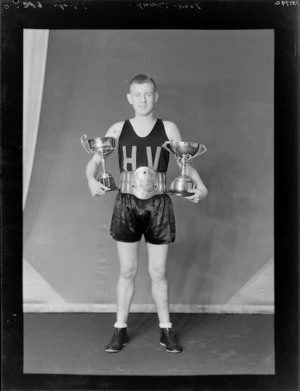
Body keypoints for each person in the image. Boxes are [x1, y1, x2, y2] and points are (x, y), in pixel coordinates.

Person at [86, 74, 208, 353]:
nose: (143, 99)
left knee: (158, 271)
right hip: (126, 204)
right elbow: (94, 163)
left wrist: (201, 187)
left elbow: (184, 163)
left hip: (159, 205)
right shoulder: (118, 129)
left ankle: (166, 329)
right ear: (129, 98)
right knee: (128, 270)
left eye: (148, 94)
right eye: (137, 95)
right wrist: (91, 180)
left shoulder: (168, 128)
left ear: (156, 96)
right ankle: (120, 329)